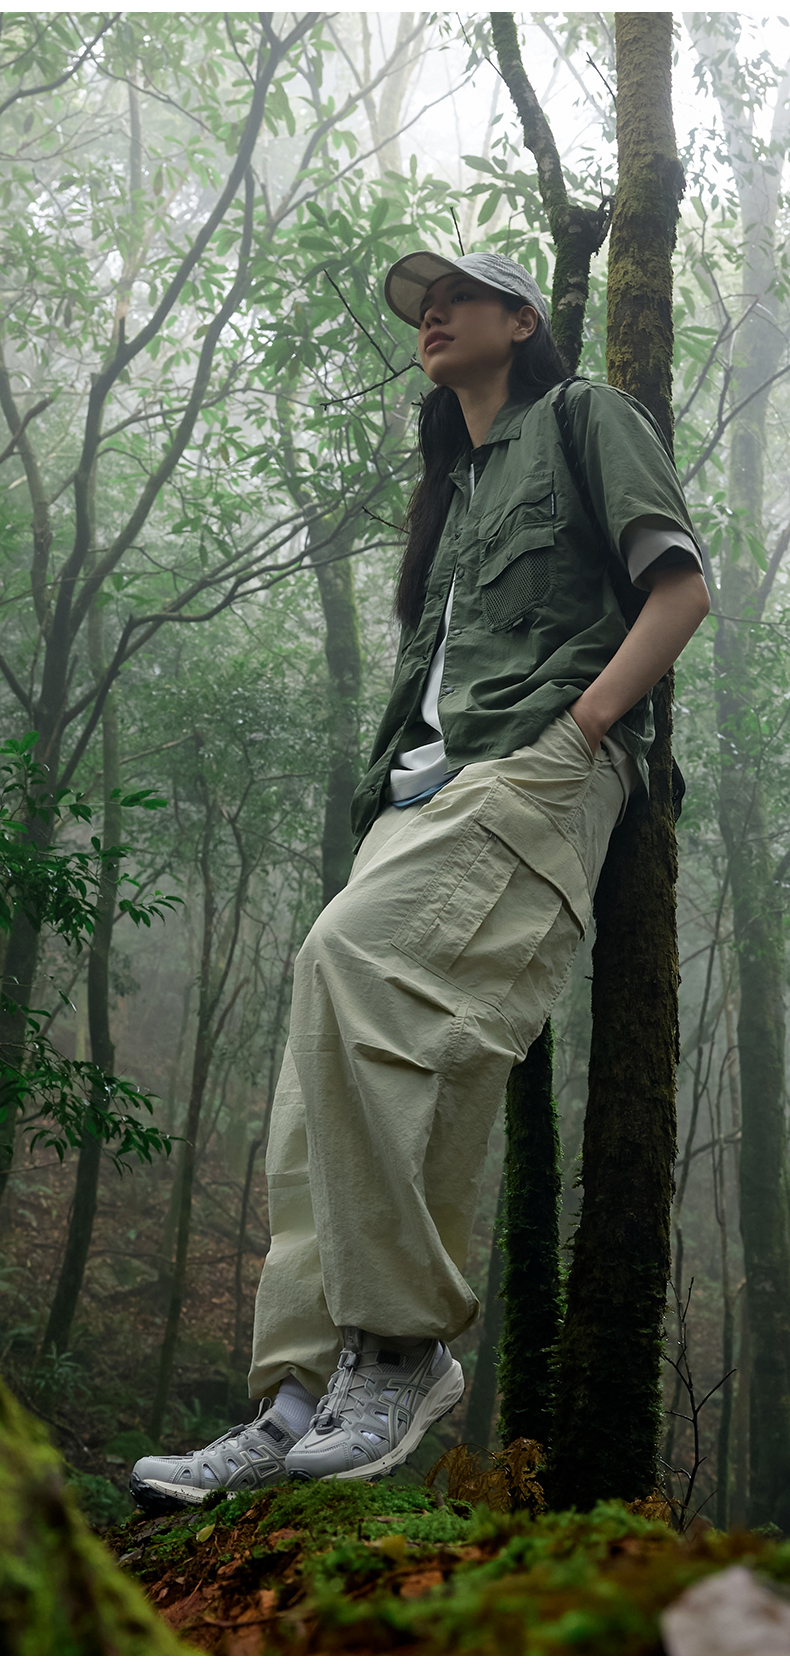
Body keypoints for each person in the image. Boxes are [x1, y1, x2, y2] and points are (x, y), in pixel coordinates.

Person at [130, 250, 709, 1510]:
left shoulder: (582, 416)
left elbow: (679, 588)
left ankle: (400, 1348)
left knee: (368, 981)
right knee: (317, 1072)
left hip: (532, 762)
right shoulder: (450, 486)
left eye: (456, 295)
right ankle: (298, 1398)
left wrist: (584, 726)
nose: (431, 313)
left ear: (520, 318)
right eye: (419, 304)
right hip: (415, 796)